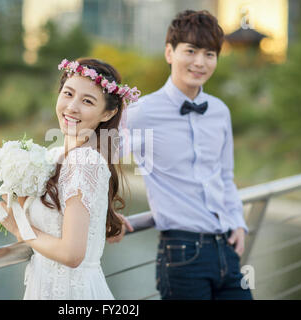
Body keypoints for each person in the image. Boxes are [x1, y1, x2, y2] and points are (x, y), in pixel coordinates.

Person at [113, 10, 253, 300]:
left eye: (210, 54)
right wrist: (104, 211)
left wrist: (238, 220)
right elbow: (98, 158)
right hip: (182, 253)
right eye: (190, 51)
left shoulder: (219, 111)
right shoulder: (142, 112)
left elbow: (225, 176)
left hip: (226, 247)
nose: (200, 62)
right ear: (169, 52)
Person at [0, 58, 139, 299]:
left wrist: (23, 232)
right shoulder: (53, 157)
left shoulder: (84, 162)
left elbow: (72, 254)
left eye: (87, 101)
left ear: (108, 113)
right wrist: (102, 218)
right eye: (68, 93)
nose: (72, 107)